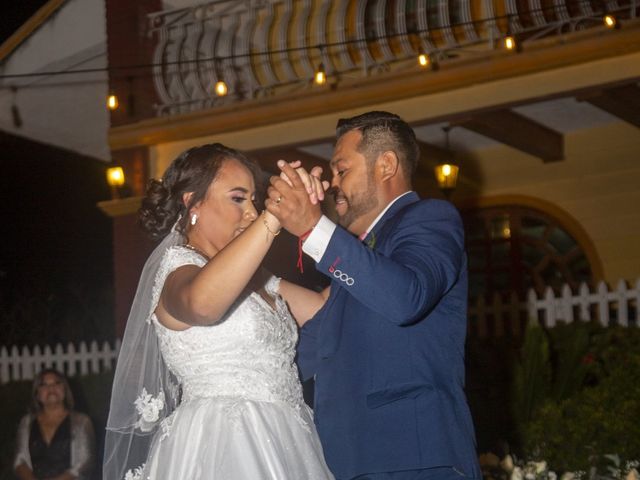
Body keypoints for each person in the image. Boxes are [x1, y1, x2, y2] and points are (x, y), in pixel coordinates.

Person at [266, 111, 482, 480]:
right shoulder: (353, 260)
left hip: (412, 460)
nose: (333, 184)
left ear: (386, 165)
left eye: (342, 170)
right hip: (344, 462)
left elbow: (406, 298)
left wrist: (314, 228)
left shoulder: (429, 218)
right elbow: (308, 352)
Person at [103, 143, 333, 480]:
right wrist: (274, 216)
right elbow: (203, 305)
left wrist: (335, 229)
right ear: (192, 203)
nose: (251, 212)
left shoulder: (260, 280)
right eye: (238, 198)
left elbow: (327, 312)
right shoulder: (177, 270)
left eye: (255, 201)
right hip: (220, 442)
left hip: (289, 437)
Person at [14, 368, 96, 480]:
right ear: (37, 393)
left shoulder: (82, 422)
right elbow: (20, 460)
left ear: (65, 389)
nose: (51, 388)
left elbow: (86, 462)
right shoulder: (27, 423)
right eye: (44, 385)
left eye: (57, 383)